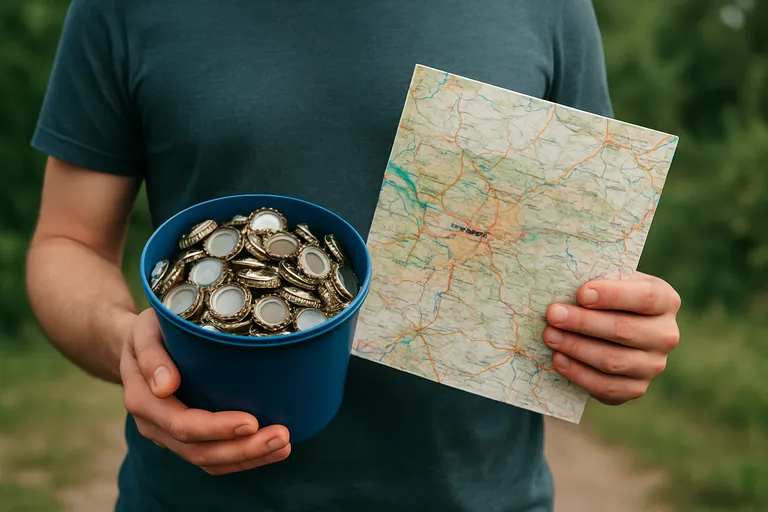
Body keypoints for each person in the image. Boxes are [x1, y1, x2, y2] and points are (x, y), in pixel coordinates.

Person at [26, 0, 682, 510]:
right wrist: (126, 342)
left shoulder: (550, 5)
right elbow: (67, 244)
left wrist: (620, 334)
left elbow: (585, 262)